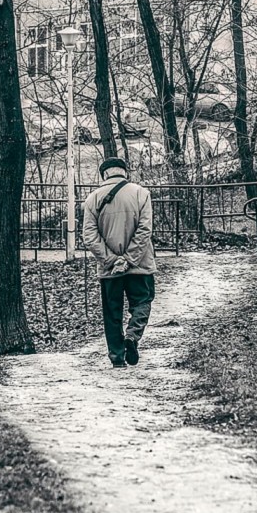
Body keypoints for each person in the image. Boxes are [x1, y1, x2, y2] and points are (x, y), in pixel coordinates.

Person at [83, 157, 156, 368]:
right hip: (140, 265)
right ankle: (132, 337)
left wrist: (112, 260)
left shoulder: (93, 199)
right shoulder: (141, 194)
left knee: (112, 311)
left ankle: (116, 357)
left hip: (109, 270)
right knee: (142, 302)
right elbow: (145, 230)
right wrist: (129, 259)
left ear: (104, 174)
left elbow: (89, 235)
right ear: (125, 172)